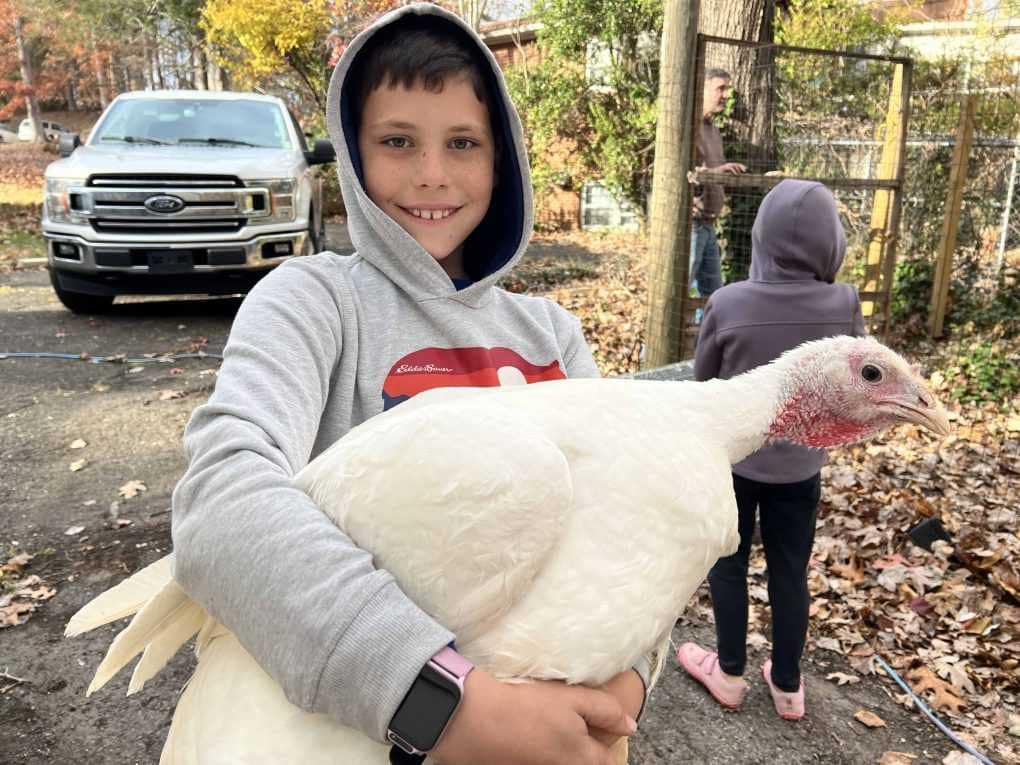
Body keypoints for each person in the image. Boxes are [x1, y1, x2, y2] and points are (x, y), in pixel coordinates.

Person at [170, 5, 650, 765]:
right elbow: (221, 502)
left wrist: (628, 679)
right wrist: (440, 702)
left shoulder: (551, 336)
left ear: (504, 160)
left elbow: (626, 529)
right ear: (355, 155)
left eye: (463, 143)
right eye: (398, 142)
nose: (432, 174)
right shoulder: (315, 302)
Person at [677, 179, 866, 721]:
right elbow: (856, 384)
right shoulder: (843, 303)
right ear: (830, 243)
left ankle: (730, 672)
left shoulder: (728, 301)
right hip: (801, 468)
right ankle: (787, 685)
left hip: (734, 462)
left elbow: (704, 382)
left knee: (728, 564)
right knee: (789, 570)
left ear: (759, 236)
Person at [690, 67, 747, 297]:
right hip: (690, 225)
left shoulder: (713, 129)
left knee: (714, 296)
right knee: (681, 292)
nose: (725, 95)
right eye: (720, 88)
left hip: (709, 225)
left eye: (727, 89)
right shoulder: (688, 127)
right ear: (702, 89)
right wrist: (715, 171)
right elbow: (686, 173)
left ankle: (704, 334)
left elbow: (711, 170)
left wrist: (727, 175)